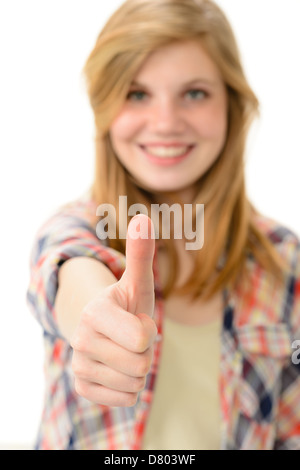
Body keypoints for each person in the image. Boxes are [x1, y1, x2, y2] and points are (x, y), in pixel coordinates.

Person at [27, 0, 300, 450]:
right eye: (137, 93)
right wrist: (96, 322)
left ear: (230, 105)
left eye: (194, 93)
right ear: (106, 108)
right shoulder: (74, 228)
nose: (166, 123)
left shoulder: (285, 263)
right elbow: (70, 274)